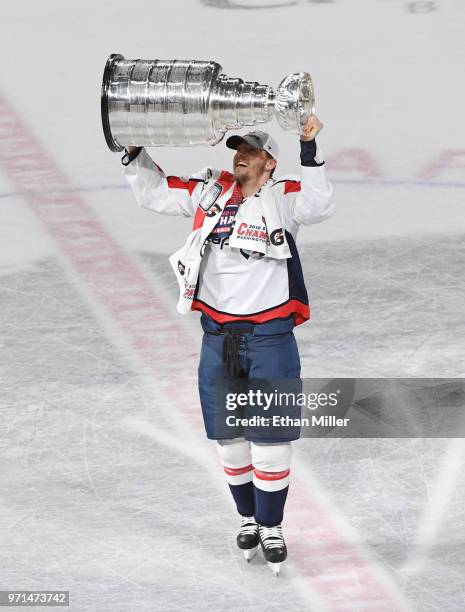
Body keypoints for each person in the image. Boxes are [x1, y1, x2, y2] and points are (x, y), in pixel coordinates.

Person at [122, 116, 334, 574]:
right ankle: (247, 519)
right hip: (218, 338)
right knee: (228, 439)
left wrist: (309, 146)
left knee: (271, 441)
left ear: (269, 162)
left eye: (252, 151)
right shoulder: (209, 193)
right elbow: (157, 192)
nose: (241, 156)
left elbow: (319, 206)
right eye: (238, 149)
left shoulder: (285, 197)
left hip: (269, 337)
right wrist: (131, 150)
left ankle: (272, 524)